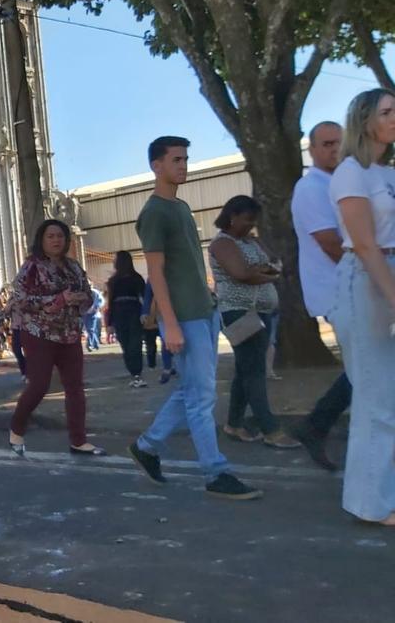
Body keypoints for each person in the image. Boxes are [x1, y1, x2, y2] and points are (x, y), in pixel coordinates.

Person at [127, 136, 261, 500]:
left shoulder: (181, 208)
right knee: (201, 398)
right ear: (157, 165)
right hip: (184, 318)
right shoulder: (154, 213)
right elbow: (155, 272)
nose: (183, 165)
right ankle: (215, 472)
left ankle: (147, 446)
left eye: (186, 159)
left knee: (191, 392)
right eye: (176, 160)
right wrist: (169, 322)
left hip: (204, 312)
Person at [328, 88, 395, 525]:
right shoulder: (351, 172)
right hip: (367, 280)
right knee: (376, 396)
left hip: (386, 273)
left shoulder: (387, 173)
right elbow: (367, 246)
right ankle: (371, 504)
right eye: (388, 112)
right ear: (365, 119)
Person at [207, 195, 299, 449]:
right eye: (247, 220)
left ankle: (234, 424)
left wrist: (264, 271)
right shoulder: (221, 244)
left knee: (245, 370)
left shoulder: (251, 240)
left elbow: (276, 264)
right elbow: (241, 274)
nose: (251, 225)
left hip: (263, 311)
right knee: (255, 372)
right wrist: (266, 273)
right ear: (232, 216)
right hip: (239, 313)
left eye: (254, 221)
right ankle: (271, 429)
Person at [7, 220, 105, 457]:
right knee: (39, 385)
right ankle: (16, 428)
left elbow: (89, 296)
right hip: (39, 333)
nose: (56, 240)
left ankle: (78, 441)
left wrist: (81, 298)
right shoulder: (32, 266)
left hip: (69, 334)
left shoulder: (73, 266)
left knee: (75, 388)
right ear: (42, 240)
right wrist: (58, 300)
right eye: (50, 236)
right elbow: (18, 300)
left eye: (60, 236)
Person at [288, 121, 351, 470]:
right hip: (339, 293)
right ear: (311, 150)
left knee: (367, 373)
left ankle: (315, 424)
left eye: (339, 143)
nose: (334, 149)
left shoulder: (343, 183)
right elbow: (332, 244)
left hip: (357, 290)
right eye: (326, 143)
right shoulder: (311, 189)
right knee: (369, 374)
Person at [107, 251, 147, 388]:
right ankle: (134, 373)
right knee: (126, 344)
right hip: (123, 314)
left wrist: (145, 313)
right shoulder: (113, 281)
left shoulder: (136, 278)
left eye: (115, 259)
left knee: (134, 344)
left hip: (132, 314)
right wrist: (109, 323)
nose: (113, 262)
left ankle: (137, 373)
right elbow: (110, 302)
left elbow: (143, 297)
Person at [142, 281, 175, 383]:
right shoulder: (155, 274)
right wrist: (145, 312)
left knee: (171, 342)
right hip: (163, 313)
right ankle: (167, 368)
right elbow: (148, 294)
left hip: (181, 312)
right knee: (166, 342)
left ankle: (174, 366)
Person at [83, 286, 104, 352]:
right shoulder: (83, 292)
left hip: (93, 313)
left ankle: (90, 344)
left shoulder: (95, 292)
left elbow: (101, 301)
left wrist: (97, 307)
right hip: (85, 313)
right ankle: (95, 344)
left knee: (91, 329)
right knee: (89, 330)